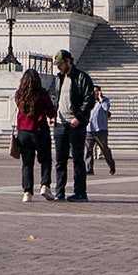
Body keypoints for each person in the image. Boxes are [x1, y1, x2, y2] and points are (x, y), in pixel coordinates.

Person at [51, 49, 98, 202]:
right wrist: (51, 114)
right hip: (59, 123)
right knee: (60, 160)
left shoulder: (82, 78)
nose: (58, 67)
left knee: (77, 159)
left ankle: (80, 192)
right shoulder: (59, 78)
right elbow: (54, 97)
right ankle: (59, 191)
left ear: (68, 61)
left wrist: (79, 117)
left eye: (60, 64)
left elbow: (89, 99)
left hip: (75, 124)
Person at [13, 67, 54, 203]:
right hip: (39, 129)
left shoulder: (19, 94)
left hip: (23, 132)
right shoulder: (42, 95)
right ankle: (45, 185)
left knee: (27, 163)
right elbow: (51, 111)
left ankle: (27, 192)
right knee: (45, 159)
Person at [85, 86, 116, 175]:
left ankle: (111, 166)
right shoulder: (88, 100)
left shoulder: (105, 100)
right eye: (93, 91)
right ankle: (89, 169)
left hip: (100, 130)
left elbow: (106, 108)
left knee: (104, 149)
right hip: (89, 129)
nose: (94, 93)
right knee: (88, 150)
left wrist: (100, 99)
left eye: (96, 91)